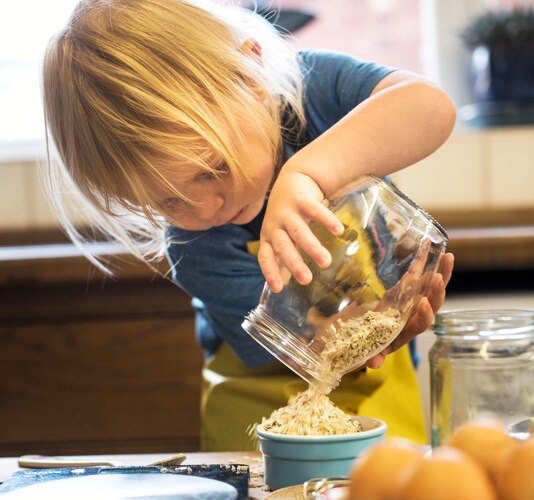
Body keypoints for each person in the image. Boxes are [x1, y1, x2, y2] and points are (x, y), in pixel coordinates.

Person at [42, 0, 456, 451]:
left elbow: (431, 107)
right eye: (167, 200)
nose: (205, 209)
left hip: (386, 422)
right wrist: (389, 328)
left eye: (212, 168)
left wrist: (308, 173)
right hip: (257, 447)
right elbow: (315, 350)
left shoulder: (315, 90)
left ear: (251, 77)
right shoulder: (194, 248)